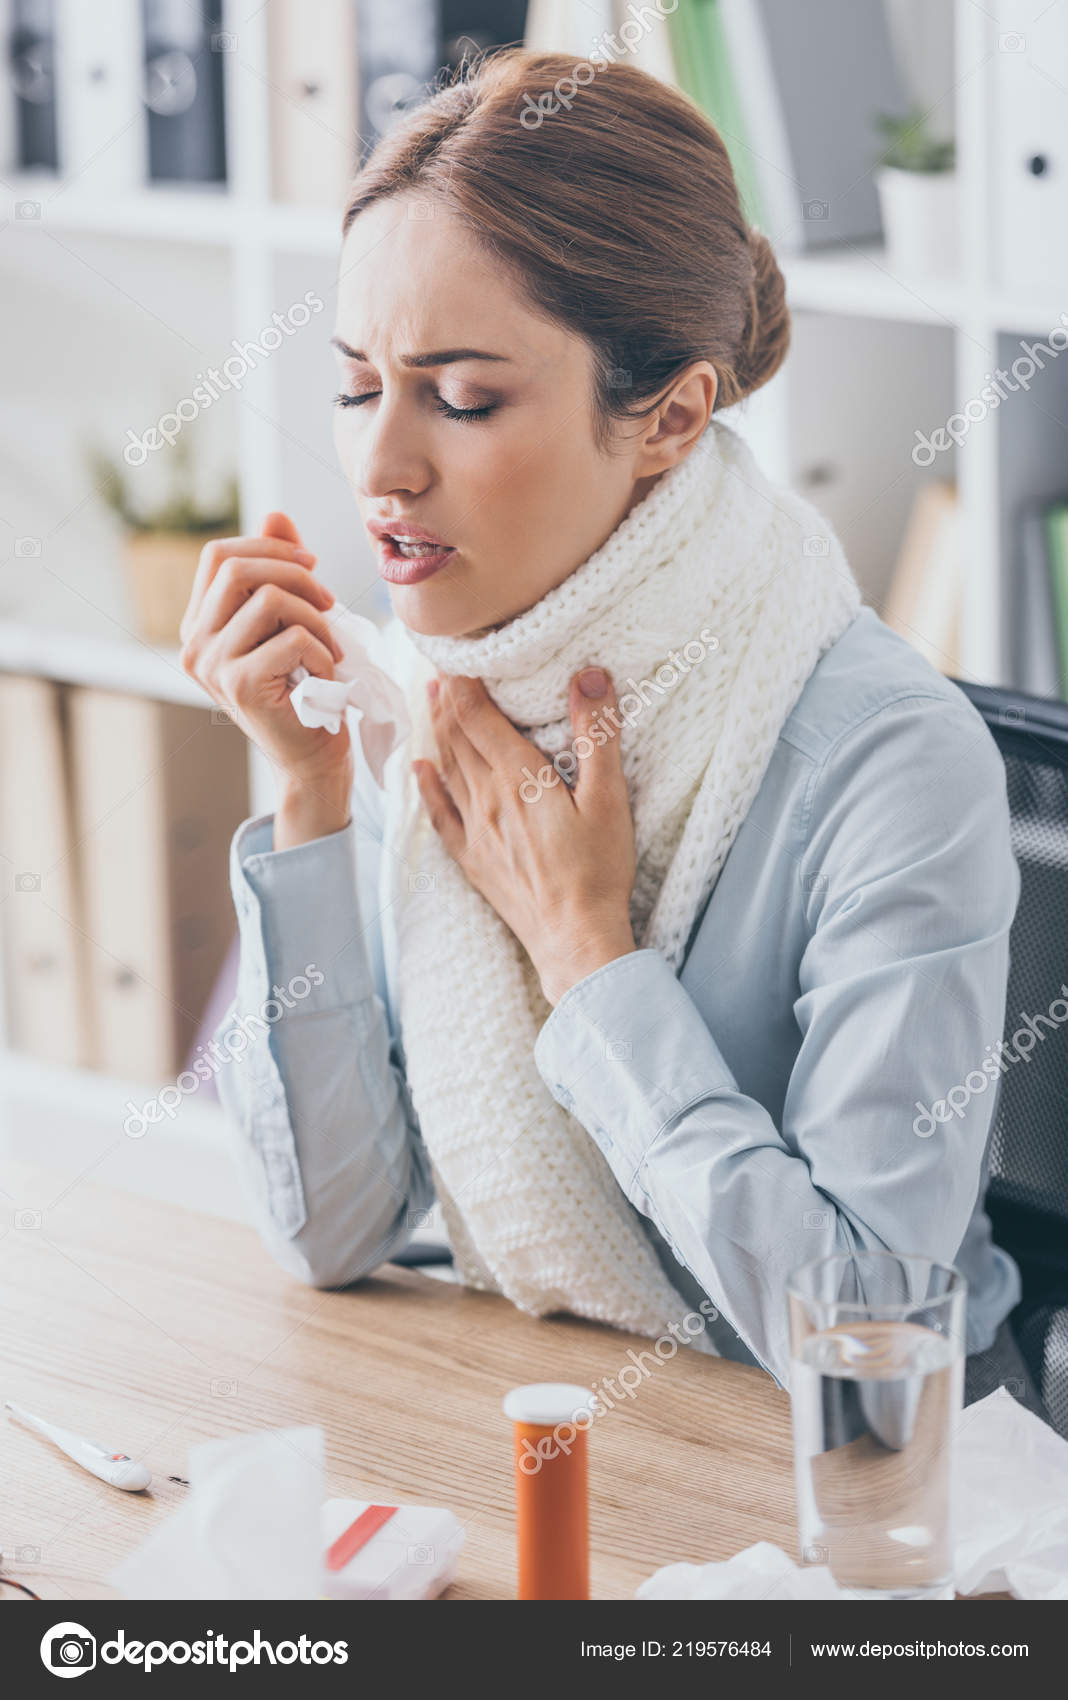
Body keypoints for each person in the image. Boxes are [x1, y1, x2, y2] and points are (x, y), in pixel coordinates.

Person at [179, 50, 1047, 1422]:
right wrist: (308, 798)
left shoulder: (891, 762)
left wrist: (591, 962)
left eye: (463, 399)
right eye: (358, 384)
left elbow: (871, 1359)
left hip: (849, 1512)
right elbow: (331, 1237)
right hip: (544, 1425)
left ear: (671, 416)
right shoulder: (435, 691)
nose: (379, 466)